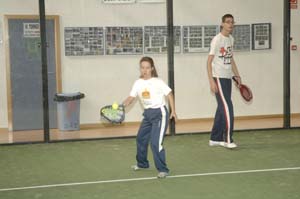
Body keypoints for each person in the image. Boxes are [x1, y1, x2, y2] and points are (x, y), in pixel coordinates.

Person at [123, 56, 177, 178]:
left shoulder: (158, 82)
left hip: (160, 114)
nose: (144, 70)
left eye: (147, 68)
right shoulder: (138, 83)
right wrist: (124, 103)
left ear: (152, 68)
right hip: (148, 114)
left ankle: (163, 169)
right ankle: (142, 164)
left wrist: (173, 111)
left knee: (155, 143)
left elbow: (169, 94)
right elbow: (131, 97)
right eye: (142, 67)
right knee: (141, 138)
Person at [207, 14, 241, 149]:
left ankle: (214, 138)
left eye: (232, 22)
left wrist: (237, 75)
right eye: (227, 22)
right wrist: (211, 81)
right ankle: (227, 139)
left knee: (222, 108)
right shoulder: (217, 40)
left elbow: (231, 58)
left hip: (227, 78)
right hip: (218, 77)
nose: (230, 24)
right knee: (228, 107)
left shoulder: (231, 39)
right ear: (222, 24)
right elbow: (208, 62)